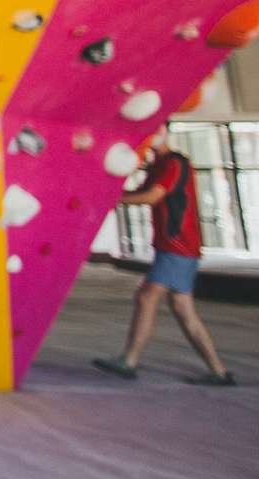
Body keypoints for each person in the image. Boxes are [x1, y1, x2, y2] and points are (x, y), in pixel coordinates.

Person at [94, 129, 236, 386]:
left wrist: (111, 199)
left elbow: (151, 196)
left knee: (147, 297)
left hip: (178, 245)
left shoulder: (174, 163)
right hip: (174, 246)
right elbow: (141, 190)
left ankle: (129, 361)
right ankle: (219, 371)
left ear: (165, 132)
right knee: (183, 310)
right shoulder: (158, 165)